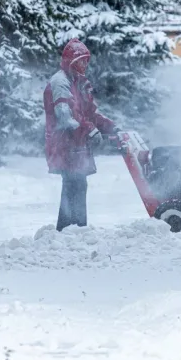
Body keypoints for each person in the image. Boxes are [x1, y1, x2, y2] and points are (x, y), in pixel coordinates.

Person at [43, 39, 118, 231]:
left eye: (87, 60)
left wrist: (110, 127)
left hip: (76, 145)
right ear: (72, 60)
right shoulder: (60, 81)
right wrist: (90, 130)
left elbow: (89, 112)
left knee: (77, 185)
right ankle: (69, 231)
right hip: (64, 145)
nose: (85, 65)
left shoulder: (78, 82)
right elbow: (65, 116)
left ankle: (75, 230)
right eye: (82, 60)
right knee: (72, 185)